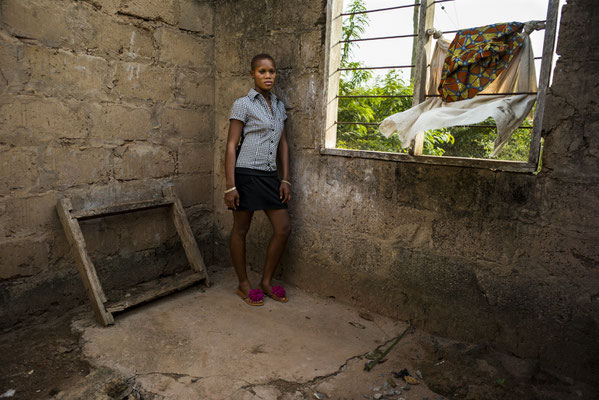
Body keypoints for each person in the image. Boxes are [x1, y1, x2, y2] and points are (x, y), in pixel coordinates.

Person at [224, 54, 292, 306]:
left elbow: (283, 145)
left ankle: (266, 281)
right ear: (252, 74)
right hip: (246, 173)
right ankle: (243, 284)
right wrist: (230, 185)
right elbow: (231, 145)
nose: (268, 76)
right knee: (241, 229)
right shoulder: (243, 104)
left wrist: (285, 179)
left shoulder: (280, 106)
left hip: (269, 175)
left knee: (283, 228)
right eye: (262, 71)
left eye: (272, 71)